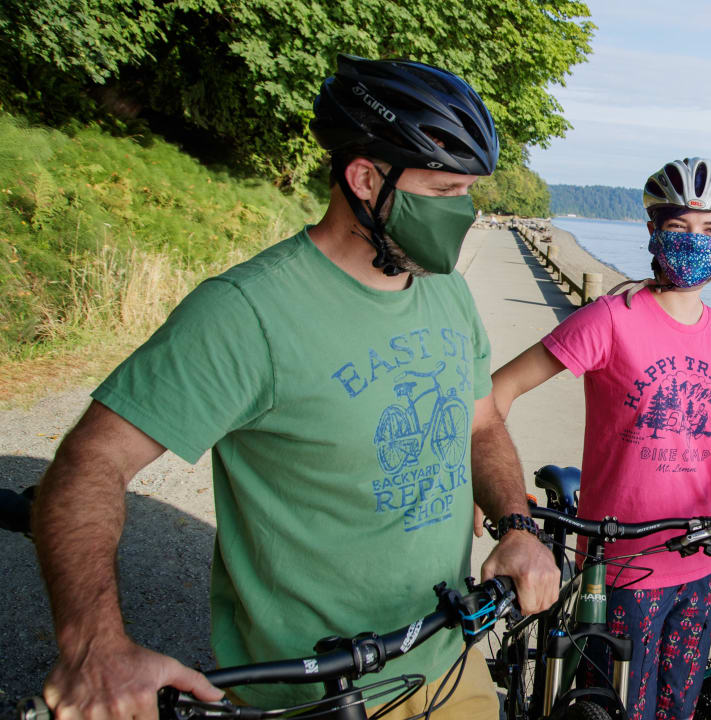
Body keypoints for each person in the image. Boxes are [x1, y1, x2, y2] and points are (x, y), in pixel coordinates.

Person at [31, 55, 559, 720]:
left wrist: (516, 526)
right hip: (314, 696)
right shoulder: (247, 313)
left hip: (449, 660)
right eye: (445, 191)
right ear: (366, 178)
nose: (465, 211)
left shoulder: (444, 288)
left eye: (469, 191)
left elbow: (481, 424)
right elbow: (89, 462)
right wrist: (93, 648)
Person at [487, 157, 711, 720]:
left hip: (702, 559)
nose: (696, 241)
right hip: (622, 564)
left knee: (678, 707)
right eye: (679, 226)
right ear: (653, 231)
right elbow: (498, 391)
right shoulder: (611, 319)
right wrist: (487, 490)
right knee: (614, 709)